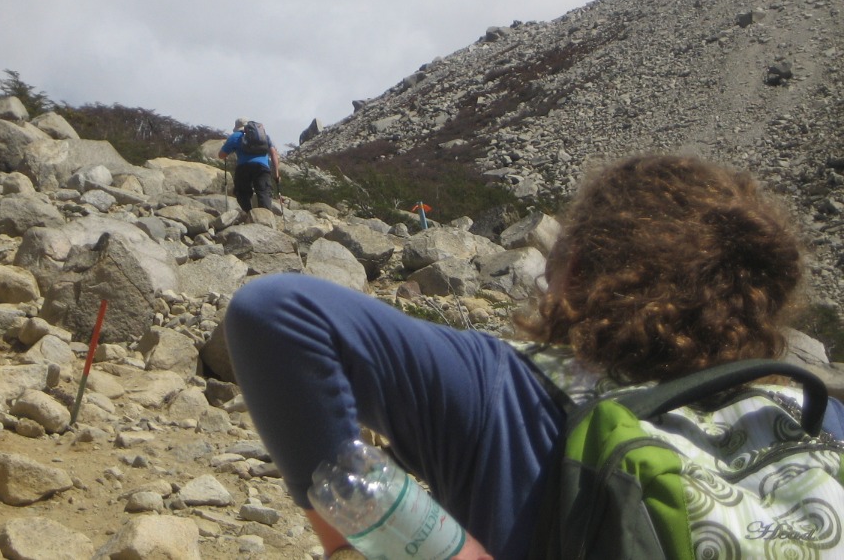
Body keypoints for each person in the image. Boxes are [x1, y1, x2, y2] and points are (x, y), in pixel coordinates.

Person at [224, 154, 844, 560]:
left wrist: (350, 545)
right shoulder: (817, 418)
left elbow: (277, 314)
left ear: (580, 270)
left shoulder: (509, 391)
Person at [218, 117, 280, 214]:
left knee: (243, 193)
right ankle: (266, 219)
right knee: (264, 193)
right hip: (262, 167)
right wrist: (276, 174)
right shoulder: (264, 136)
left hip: (243, 167)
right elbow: (274, 154)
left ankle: (247, 215)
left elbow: (221, 155)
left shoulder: (235, 136)